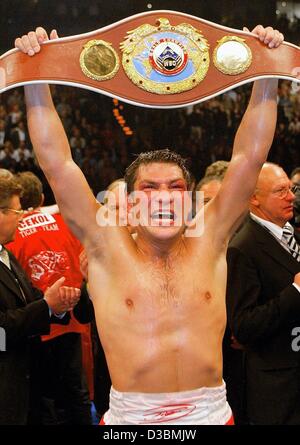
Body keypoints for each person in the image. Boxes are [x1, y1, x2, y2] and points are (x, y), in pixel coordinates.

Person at [15, 24, 283, 425]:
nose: (163, 196)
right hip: (131, 419)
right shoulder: (106, 244)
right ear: (131, 201)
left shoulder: (210, 238)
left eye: (175, 187)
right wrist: (35, 73)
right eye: (150, 187)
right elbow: (58, 164)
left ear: (191, 200)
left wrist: (267, 69)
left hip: (211, 414)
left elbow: (250, 157)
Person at [5, 171, 93, 424]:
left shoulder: (13, 238)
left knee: (45, 402)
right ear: (42, 197)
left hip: (42, 328)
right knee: (75, 396)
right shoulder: (65, 222)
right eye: (15, 211)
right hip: (68, 321)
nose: (20, 216)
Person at [226, 162, 300, 424]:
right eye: (281, 191)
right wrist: (295, 291)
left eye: (290, 190)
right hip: (277, 387)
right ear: (254, 198)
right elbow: (243, 325)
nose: (291, 197)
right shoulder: (242, 248)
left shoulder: (292, 234)